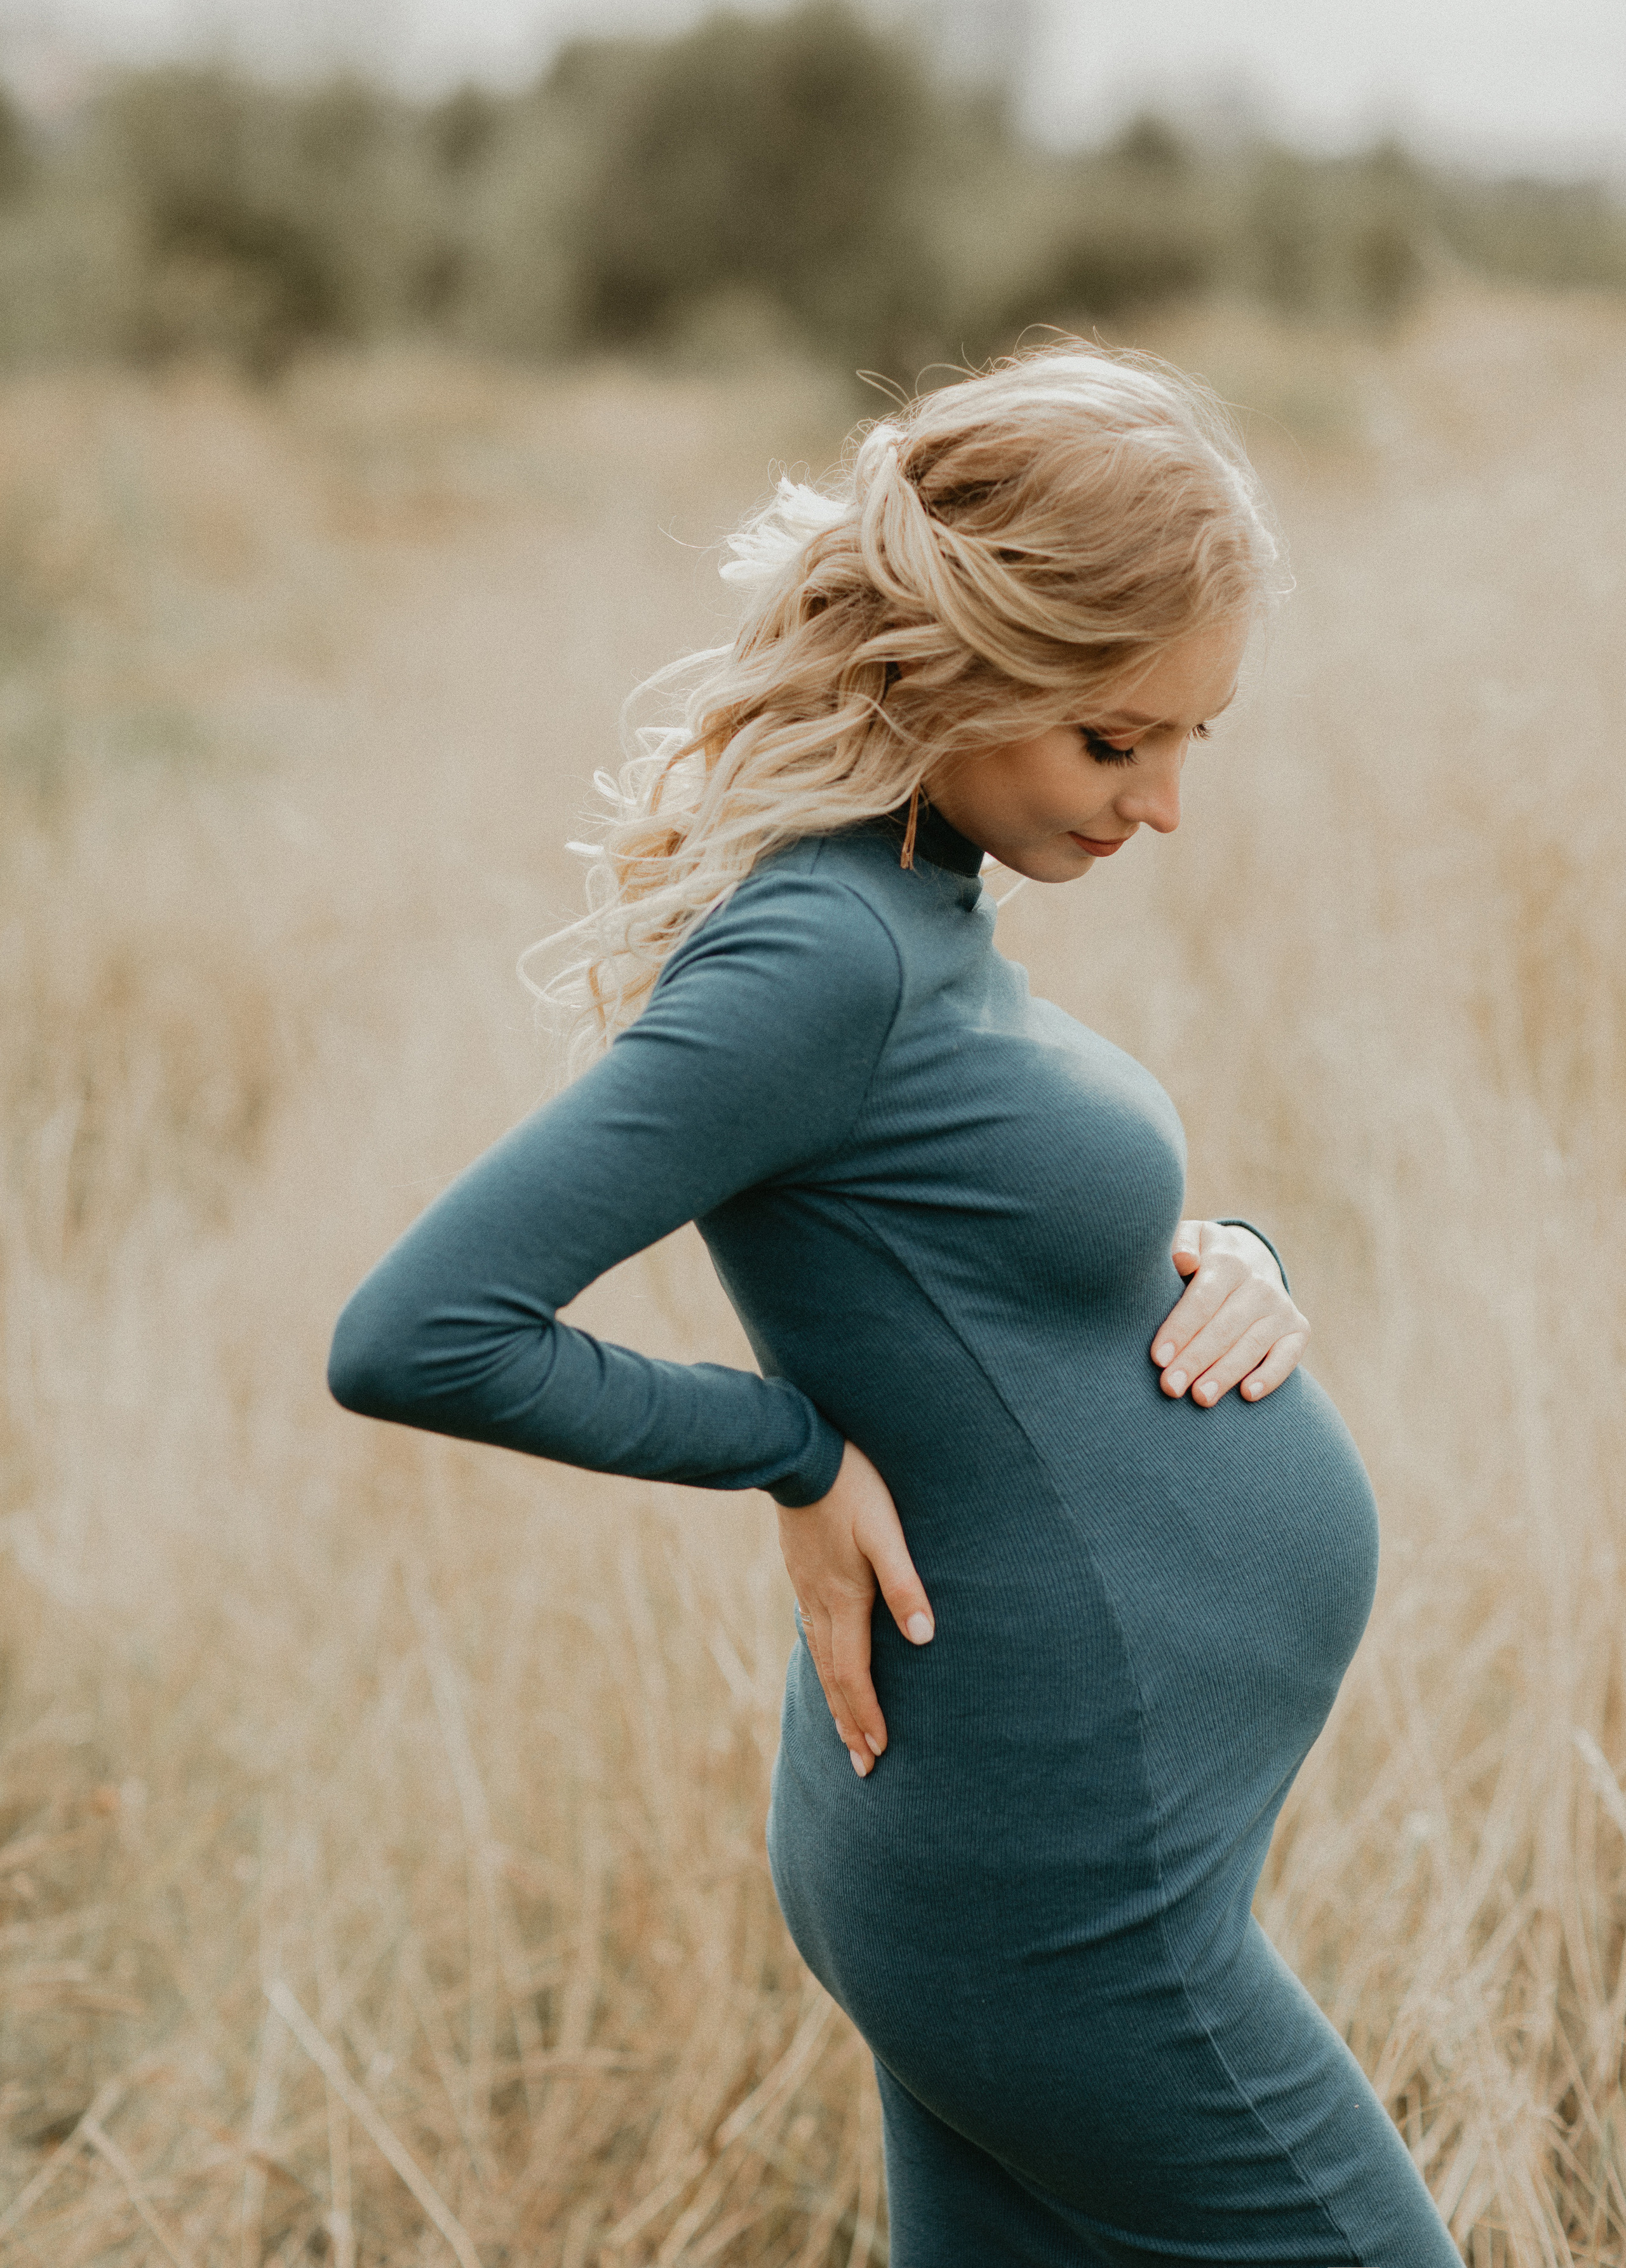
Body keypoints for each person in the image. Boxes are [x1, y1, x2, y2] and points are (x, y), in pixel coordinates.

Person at [328, 345, 1459, 2264]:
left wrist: (1238, 1261)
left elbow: (990, 1248)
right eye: (1115, 741)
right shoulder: (821, 952)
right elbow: (421, 1330)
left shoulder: (922, 898)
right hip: (1044, 1888)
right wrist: (784, 1447)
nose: (1167, 802)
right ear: (954, 673)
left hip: (1027, 1862)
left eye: (1198, 737)